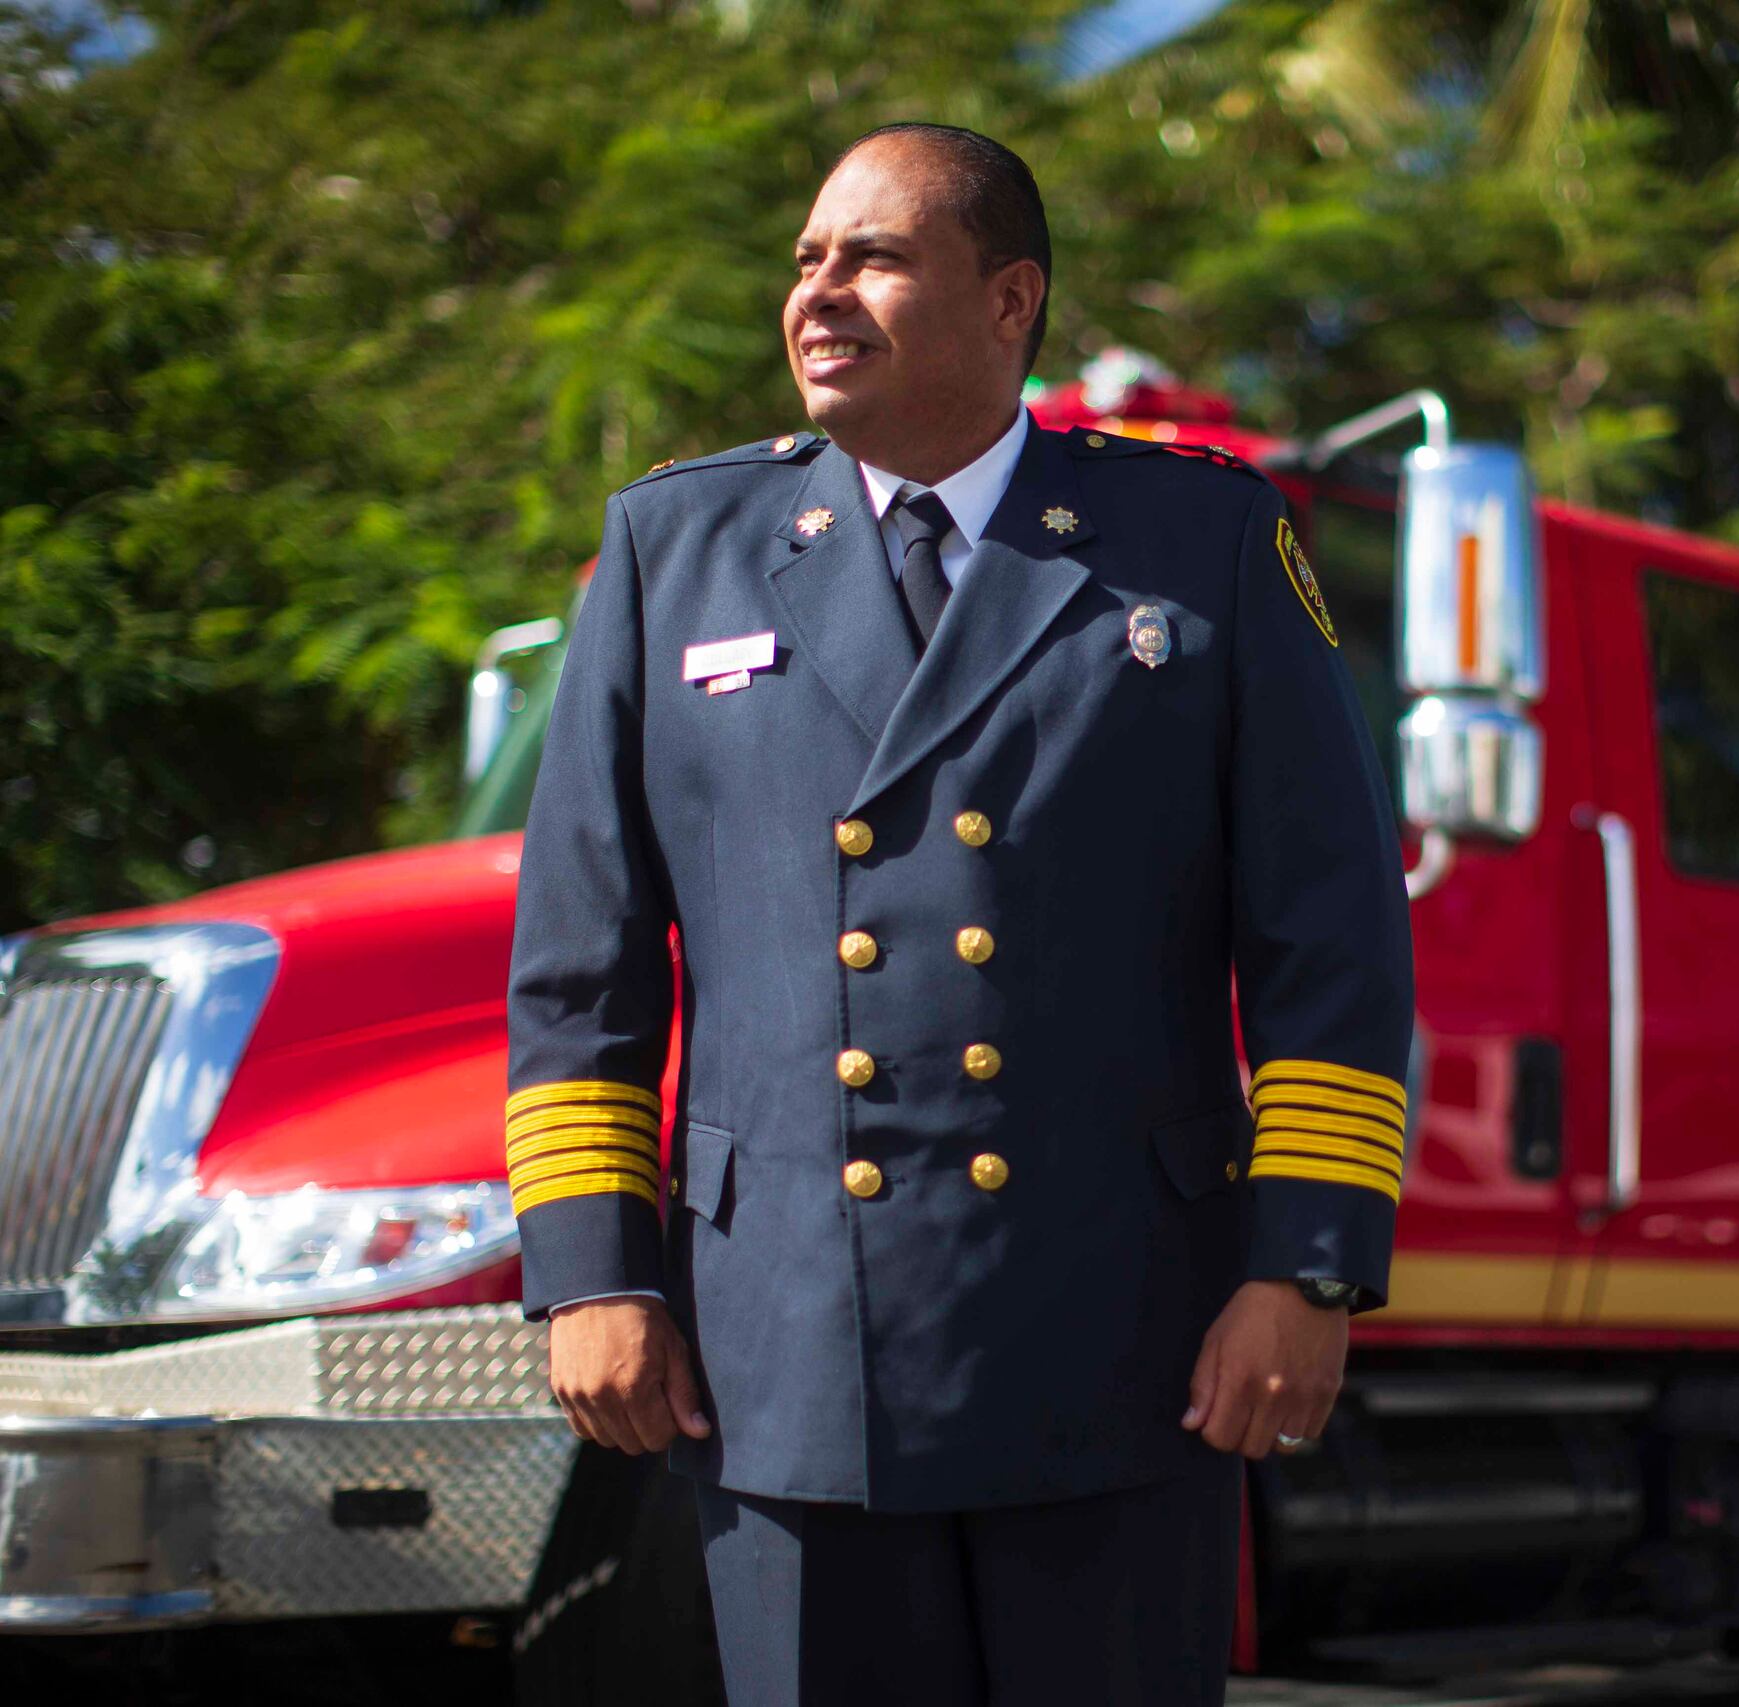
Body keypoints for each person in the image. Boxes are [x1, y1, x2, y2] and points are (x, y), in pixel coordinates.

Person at [502, 120, 1414, 1705]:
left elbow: (1330, 941)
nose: (818, 292)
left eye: (872, 255)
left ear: (1009, 302)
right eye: (805, 260)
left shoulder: (1198, 542)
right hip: (782, 1347)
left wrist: (1306, 1268)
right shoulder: (679, 546)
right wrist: (596, 1270)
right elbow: (580, 964)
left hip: (1127, 1336)